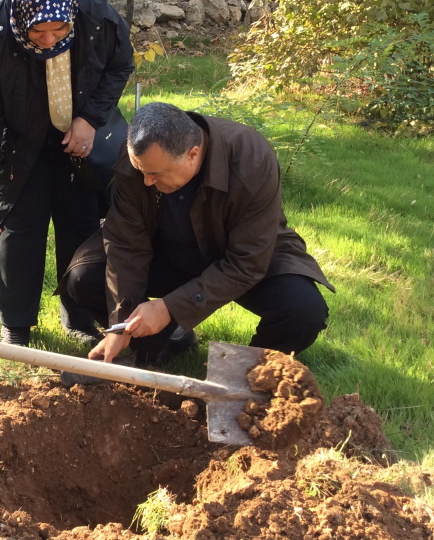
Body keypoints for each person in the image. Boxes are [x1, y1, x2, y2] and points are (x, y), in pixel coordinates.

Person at [60, 101, 333, 367]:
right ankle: (166, 343)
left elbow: (247, 262)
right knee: (84, 278)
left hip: (241, 254)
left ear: (192, 154)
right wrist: (121, 323)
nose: (146, 181)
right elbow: (124, 242)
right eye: (141, 171)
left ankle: (250, 373)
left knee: (303, 311)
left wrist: (168, 308)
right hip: (166, 251)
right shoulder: (141, 156)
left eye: (155, 174)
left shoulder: (251, 158)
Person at [0, 0, 134, 347]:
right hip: (20, 142)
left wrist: (89, 118)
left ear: (72, 15)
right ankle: (16, 325)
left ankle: (79, 316)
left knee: (80, 223)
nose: (49, 41)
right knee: (20, 227)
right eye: (38, 33)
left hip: (78, 137)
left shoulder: (97, 18)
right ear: (20, 17)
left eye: (59, 30)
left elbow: (120, 65)